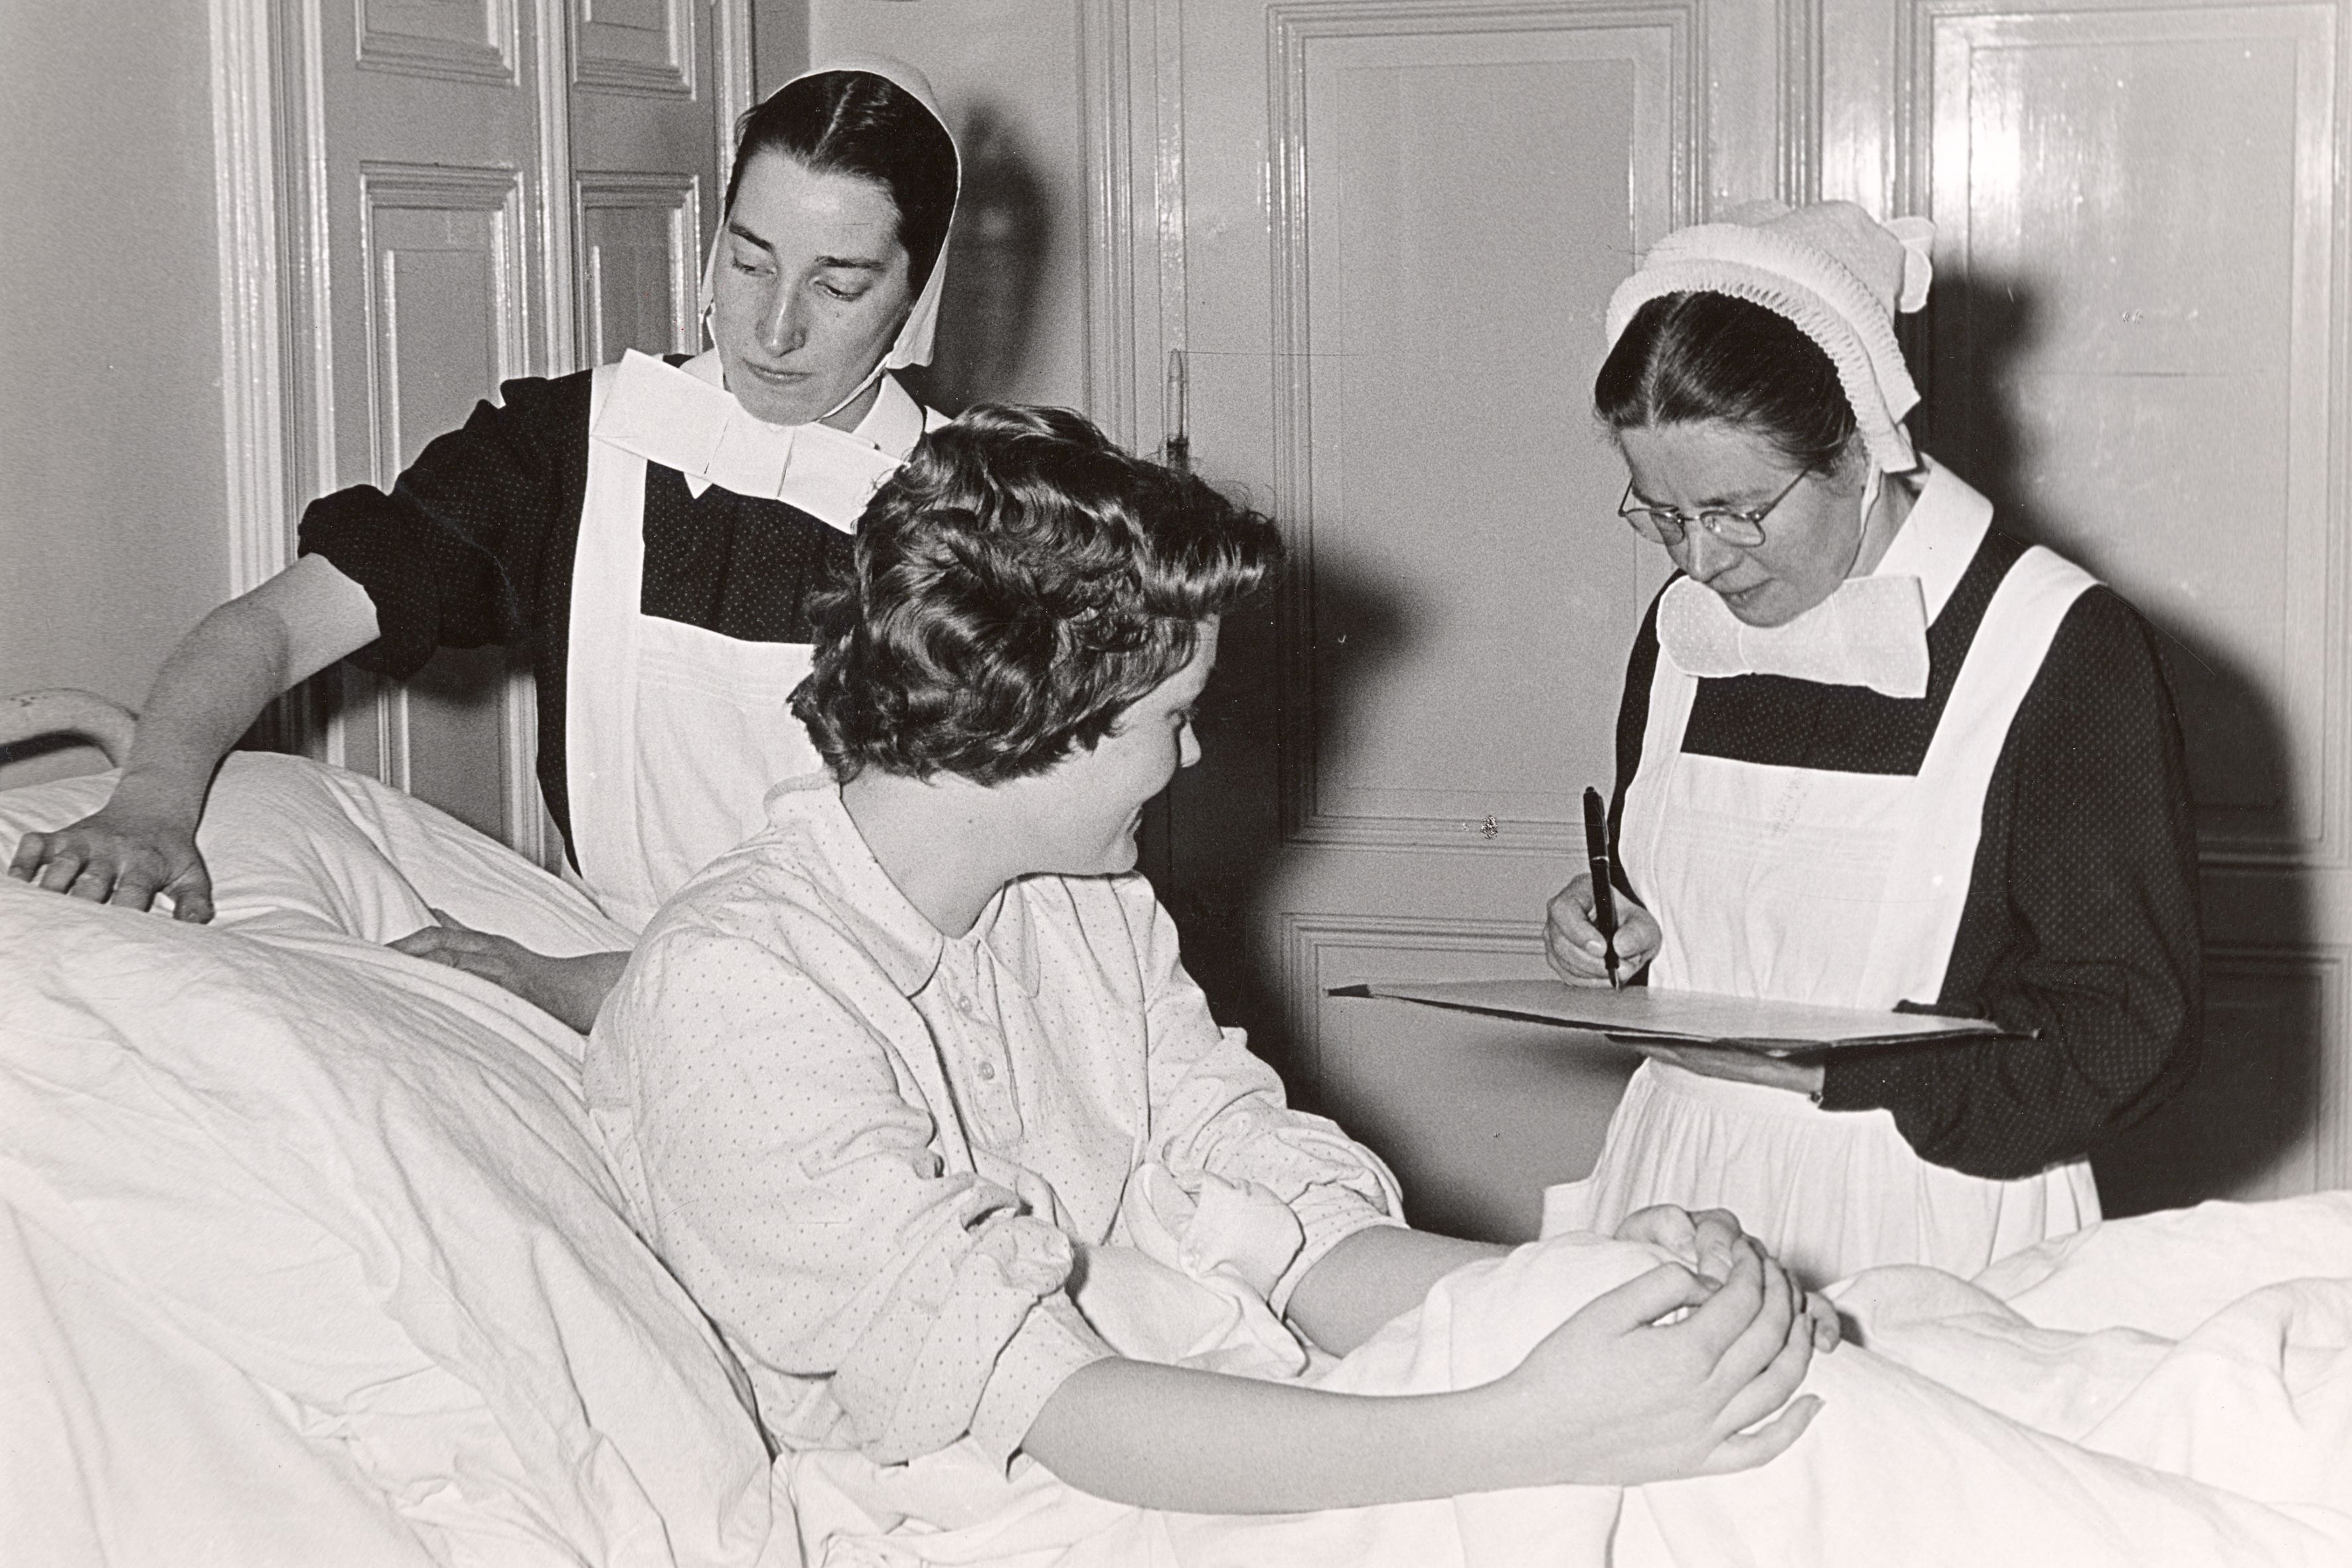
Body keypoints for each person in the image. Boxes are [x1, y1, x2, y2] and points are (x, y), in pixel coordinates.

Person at [584, 405, 1838, 1518]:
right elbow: (1048, 1403)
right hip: (1000, 1512)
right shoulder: (741, 993)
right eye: (1169, 721)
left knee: (1803, 1440)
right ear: (1028, 715)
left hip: (1201, 1419)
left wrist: (1599, 1297)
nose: (1186, 765)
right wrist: (1529, 1429)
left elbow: (1284, 1220)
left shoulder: (1080, 905)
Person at [5, 58, 961, 1031]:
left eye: (837, 287)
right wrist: (151, 802)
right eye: (750, 261)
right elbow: (276, 629)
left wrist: (558, 985)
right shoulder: (572, 447)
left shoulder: (978, 522)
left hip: (847, 1011)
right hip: (602, 947)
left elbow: (906, 930)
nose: (775, 327)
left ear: (916, 298)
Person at [1540, 202, 2203, 1288]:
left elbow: (2128, 1019)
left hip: (1927, 1215)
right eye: (1661, 515)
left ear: (1860, 445)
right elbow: (1713, 903)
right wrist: (1612, 925)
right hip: (1674, 1183)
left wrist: (1855, 1077)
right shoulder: (1684, 634)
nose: (1701, 560)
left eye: (1737, 508)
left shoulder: (2056, 645)